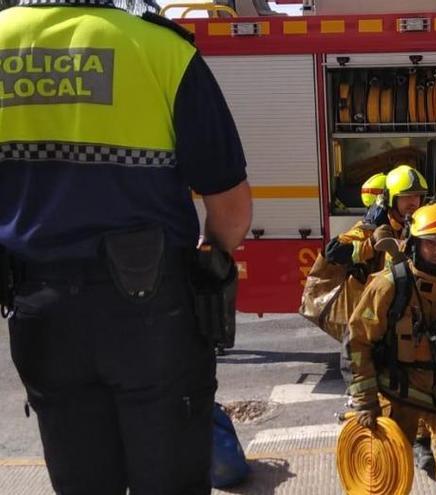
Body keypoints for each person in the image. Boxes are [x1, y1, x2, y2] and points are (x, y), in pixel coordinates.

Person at [0, 2, 252, 494]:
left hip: (40, 315)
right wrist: (207, 259)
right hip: (153, 317)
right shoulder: (161, 51)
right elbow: (232, 210)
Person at [347, 203, 436, 495]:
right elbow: (357, 341)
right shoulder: (390, 285)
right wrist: (365, 400)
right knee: (386, 477)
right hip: (399, 392)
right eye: (431, 242)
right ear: (416, 242)